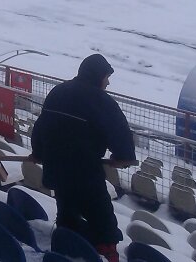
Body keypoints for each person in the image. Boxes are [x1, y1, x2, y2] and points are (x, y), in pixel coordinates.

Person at [30, 54, 137, 262]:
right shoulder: (101, 101)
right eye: (106, 77)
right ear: (97, 76)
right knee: (103, 221)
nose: (108, 82)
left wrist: (39, 153)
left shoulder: (58, 92)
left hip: (58, 171)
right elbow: (119, 132)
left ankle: (66, 253)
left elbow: (42, 127)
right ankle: (107, 255)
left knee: (67, 216)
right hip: (85, 174)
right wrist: (123, 156)